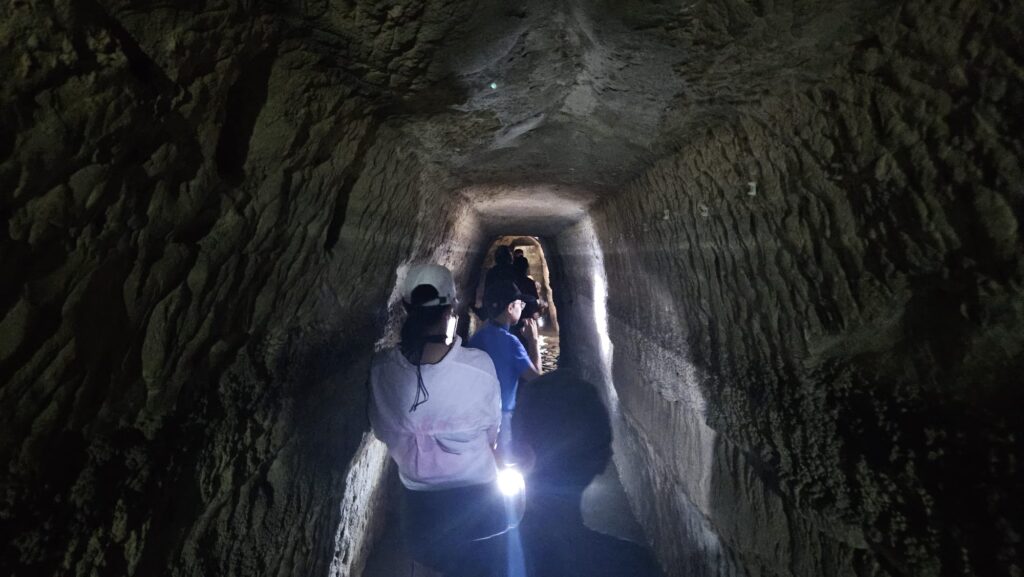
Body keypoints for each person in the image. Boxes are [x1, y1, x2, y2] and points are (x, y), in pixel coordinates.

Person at [369, 264, 509, 576]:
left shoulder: (382, 371)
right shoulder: (478, 368)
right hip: (478, 500)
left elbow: (383, 431)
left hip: (419, 506)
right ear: (451, 308)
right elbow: (491, 435)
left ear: (406, 308)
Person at [469, 281, 542, 463]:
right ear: (510, 308)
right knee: (505, 462)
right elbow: (537, 381)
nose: (522, 308)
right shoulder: (511, 342)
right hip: (503, 419)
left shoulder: (477, 337)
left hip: (477, 416)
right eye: (520, 304)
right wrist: (533, 342)